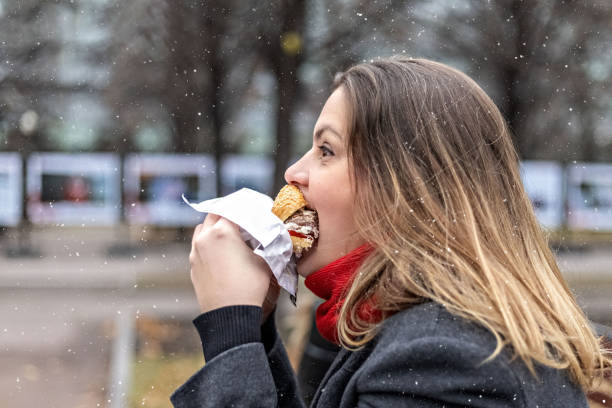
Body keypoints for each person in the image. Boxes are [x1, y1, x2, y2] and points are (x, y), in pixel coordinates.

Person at [170, 56, 611, 407]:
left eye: (326, 150)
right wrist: (257, 329)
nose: (295, 172)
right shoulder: (419, 328)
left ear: (403, 188)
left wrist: (232, 334)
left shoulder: (445, 355)